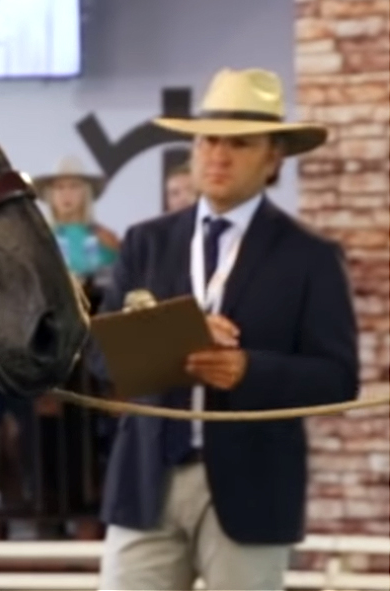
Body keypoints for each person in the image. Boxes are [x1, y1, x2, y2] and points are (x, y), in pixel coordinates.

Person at [95, 67, 359, 590]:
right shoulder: (145, 242)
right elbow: (97, 357)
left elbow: (338, 379)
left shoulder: (311, 257)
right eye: (209, 140)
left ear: (273, 158)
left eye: (240, 143)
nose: (218, 155)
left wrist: (249, 370)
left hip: (254, 487)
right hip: (146, 477)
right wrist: (169, 338)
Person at [33, 155, 120, 285]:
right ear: (50, 193)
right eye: (59, 187)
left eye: (74, 186)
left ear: (85, 192)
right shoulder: (40, 239)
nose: (66, 194)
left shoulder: (106, 238)